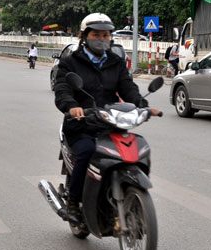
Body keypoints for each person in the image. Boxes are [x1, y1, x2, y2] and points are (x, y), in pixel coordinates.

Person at [54, 13, 161, 225]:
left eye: (106, 35)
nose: (102, 39)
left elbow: (127, 87)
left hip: (110, 122)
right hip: (81, 124)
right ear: (84, 36)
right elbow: (62, 90)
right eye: (96, 34)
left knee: (136, 148)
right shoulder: (70, 63)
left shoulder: (116, 61)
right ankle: (73, 202)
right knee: (86, 152)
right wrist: (73, 106)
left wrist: (142, 106)